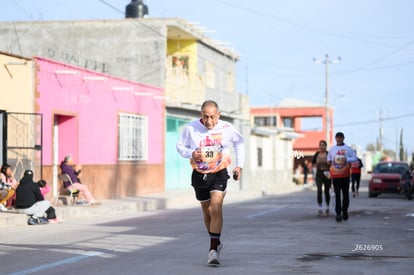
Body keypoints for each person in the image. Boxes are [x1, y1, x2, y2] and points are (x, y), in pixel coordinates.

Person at [176, 100, 244, 266]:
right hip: (199, 174)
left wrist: (239, 166)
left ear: (218, 115)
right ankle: (216, 240)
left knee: (216, 207)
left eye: (212, 117)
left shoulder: (227, 128)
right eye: (205, 117)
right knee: (207, 212)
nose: (209, 121)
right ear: (201, 115)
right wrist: (192, 153)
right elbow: (179, 146)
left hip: (220, 172)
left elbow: (239, 143)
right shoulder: (191, 128)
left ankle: (213, 249)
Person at [327, 132, 357, 222]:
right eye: (337, 138)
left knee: (345, 194)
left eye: (340, 138)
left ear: (343, 138)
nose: (339, 139)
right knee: (337, 195)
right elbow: (328, 159)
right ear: (335, 139)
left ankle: (345, 211)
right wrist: (329, 161)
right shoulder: (332, 149)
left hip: (345, 175)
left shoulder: (348, 149)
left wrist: (345, 159)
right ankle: (338, 213)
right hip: (336, 175)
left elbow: (355, 158)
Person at [312, 140, 331, 216]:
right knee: (319, 190)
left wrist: (328, 164)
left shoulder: (328, 154)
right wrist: (315, 165)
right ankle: (320, 208)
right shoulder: (317, 154)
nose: (321, 146)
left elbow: (332, 163)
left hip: (327, 173)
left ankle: (327, 207)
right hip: (319, 173)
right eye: (320, 145)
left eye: (323, 145)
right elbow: (313, 163)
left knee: (327, 191)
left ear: (326, 146)